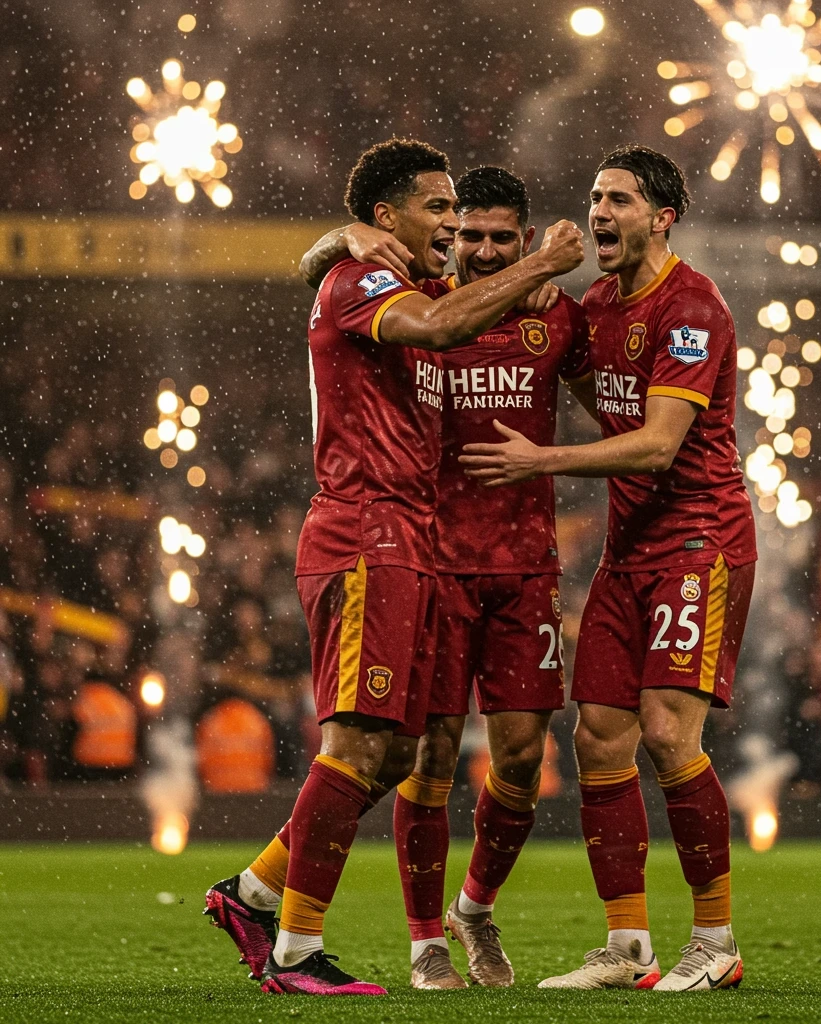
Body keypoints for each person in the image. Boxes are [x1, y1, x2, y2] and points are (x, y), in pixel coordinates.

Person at [203, 137, 584, 998]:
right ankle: (294, 952)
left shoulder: (395, 276)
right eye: (440, 209)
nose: (454, 228)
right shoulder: (371, 284)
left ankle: (254, 892)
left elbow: (439, 304)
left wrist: (334, 240)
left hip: (409, 539)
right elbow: (442, 323)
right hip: (368, 531)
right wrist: (546, 264)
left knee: (393, 748)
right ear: (388, 215)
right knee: (361, 745)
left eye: (461, 212)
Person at [461, 144, 756, 992]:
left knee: (668, 734)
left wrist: (538, 462)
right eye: (594, 198)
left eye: (619, 200)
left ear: (663, 216)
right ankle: (628, 949)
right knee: (598, 740)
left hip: (700, 540)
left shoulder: (692, 306)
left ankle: (717, 941)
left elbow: (661, 445)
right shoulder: (594, 305)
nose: (599, 213)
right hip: (631, 553)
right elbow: (604, 404)